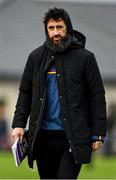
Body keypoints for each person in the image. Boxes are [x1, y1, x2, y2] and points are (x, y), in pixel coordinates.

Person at [11, 7, 107, 179]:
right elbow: (25, 92)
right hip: (42, 138)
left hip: (73, 137)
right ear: (46, 30)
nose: (55, 32)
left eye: (59, 27)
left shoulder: (85, 58)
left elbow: (97, 97)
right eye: (51, 28)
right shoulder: (35, 57)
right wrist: (18, 123)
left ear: (67, 28)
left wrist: (98, 133)